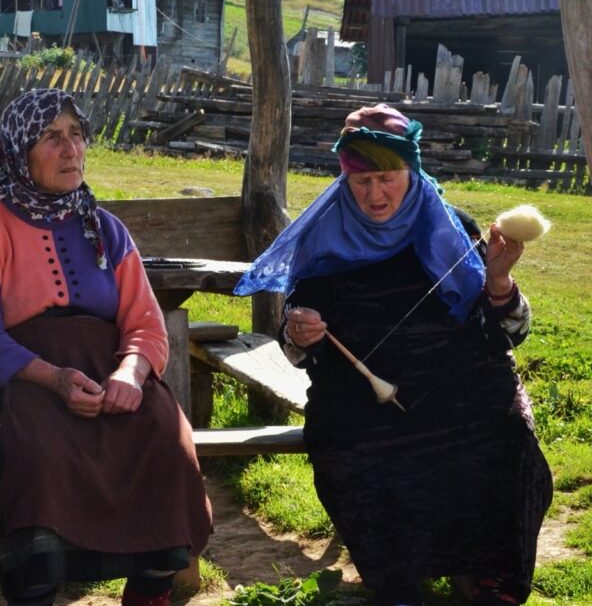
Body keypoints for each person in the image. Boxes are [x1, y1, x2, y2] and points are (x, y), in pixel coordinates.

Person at [234, 104, 553, 605]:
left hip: (463, 385)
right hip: (362, 397)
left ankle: (491, 574)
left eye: (387, 178)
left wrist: (498, 281)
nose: (375, 194)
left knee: (504, 434)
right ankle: (399, 578)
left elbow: (509, 333)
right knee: (357, 453)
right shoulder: (323, 239)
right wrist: (300, 332)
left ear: (412, 170)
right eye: (361, 181)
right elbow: (295, 349)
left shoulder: (452, 228)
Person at [0, 88, 212, 606]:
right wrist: (54, 379)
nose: (70, 149)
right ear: (20, 151)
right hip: (21, 377)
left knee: (165, 437)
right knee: (40, 450)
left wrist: (130, 375)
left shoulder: (105, 228)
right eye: (51, 137)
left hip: (108, 371)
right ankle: (38, 590)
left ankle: (150, 590)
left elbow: (145, 323)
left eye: (76, 135)